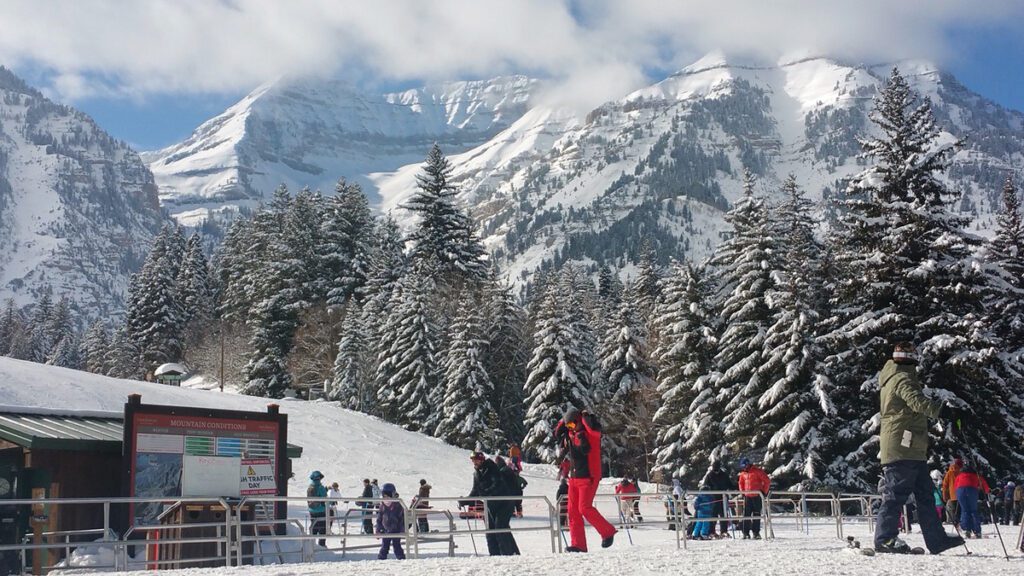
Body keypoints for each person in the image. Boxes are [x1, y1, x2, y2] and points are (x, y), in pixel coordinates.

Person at [873, 341, 964, 555]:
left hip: (911, 447)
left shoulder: (896, 376)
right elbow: (916, 401)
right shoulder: (902, 378)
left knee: (925, 494)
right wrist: (941, 411)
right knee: (896, 493)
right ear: (912, 358)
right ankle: (885, 538)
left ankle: (936, 539)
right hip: (901, 447)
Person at [555, 407, 616, 553]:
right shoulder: (570, 434)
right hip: (575, 477)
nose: (570, 427)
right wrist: (563, 423)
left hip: (589, 476)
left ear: (579, 421)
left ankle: (607, 532)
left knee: (584, 507)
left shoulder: (589, 434)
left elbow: (595, 431)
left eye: (572, 424)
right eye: (568, 425)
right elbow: (557, 433)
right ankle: (578, 544)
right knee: (572, 511)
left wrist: (586, 419)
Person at [465, 452, 519, 556]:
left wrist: (487, 492)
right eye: (473, 460)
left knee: (500, 526)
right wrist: (466, 500)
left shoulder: (492, 468)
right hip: (491, 504)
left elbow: (497, 484)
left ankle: (508, 554)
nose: (474, 462)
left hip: (504, 503)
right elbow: (475, 490)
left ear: (481, 460)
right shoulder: (477, 473)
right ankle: (495, 554)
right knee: (490, 529)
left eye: (476, 460)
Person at [954, 461, 990, 539]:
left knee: (965, 510)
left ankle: (966, 530)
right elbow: (983, 483)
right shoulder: (975, 475)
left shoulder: (960, 475)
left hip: (960, 491)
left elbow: (955, 485)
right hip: (972, 490)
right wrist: (987, 491)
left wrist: (956, 494)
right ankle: (977, 531)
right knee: (973, 510)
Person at [737, 457, 770, 539]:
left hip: (756, 496)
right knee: (746, 515)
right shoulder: (743, 474)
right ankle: (745, 532)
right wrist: (743, 492)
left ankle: (756, 532)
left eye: (745, 466)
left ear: (748, 465)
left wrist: (764, 492)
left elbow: (767, 480)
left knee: (756, 514)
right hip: (748, 497)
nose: (744, 468)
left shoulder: (757, 471)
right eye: (743, 467)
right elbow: (741, 483)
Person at [703, 461, 734, 538]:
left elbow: (729, 484)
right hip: (713, 499)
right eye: (715, 469)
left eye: (717, 469)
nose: (716, 471)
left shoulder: (724, 475)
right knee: (713, 515)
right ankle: (711, 531)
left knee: (723, 515)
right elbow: (705, 486)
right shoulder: (710, 475)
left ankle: (724, 531)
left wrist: (735, 487)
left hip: (722, 498)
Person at [376, 482, 406, 560]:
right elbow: (379, 518)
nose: (386, 498)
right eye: (384, 496)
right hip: (385, 530)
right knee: (384, 546)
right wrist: (378, 529)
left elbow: (402, 518)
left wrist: (402, 529)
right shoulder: (382, 505)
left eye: (388, 496)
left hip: (396, 529)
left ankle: (401, 558)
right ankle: (381, 559)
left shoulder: (398, 504)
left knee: (397, 546)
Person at [306, 470, 328, 547]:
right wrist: (325, 490)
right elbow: (324, 496)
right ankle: (322, 544)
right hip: (320, 510)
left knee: (314, 526)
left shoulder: (310, 487)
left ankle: (312, 544)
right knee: (323, 528)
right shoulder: (320, 487)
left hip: (312, 510)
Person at [942, 458, 963, 527]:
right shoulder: (961, 472)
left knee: (954, 511)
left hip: (952, 495)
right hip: (962, 494)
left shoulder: (949, 473)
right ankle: (962, 524)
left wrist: (945, 495)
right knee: (961, 510)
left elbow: (945, 485)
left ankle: (956, 524)